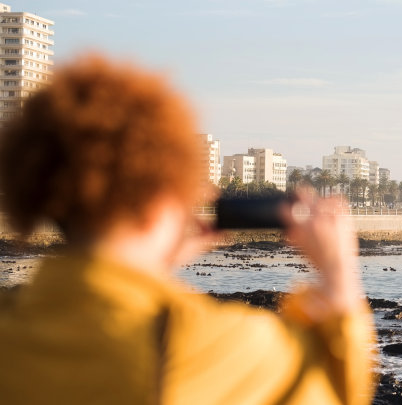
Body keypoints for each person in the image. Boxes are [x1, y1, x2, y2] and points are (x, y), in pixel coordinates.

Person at [0, 55, 375, 404]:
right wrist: (338, 271)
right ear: (158, 198)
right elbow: (334, 385)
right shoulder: (197, 340)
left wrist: (151, 264)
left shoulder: (10, 322)